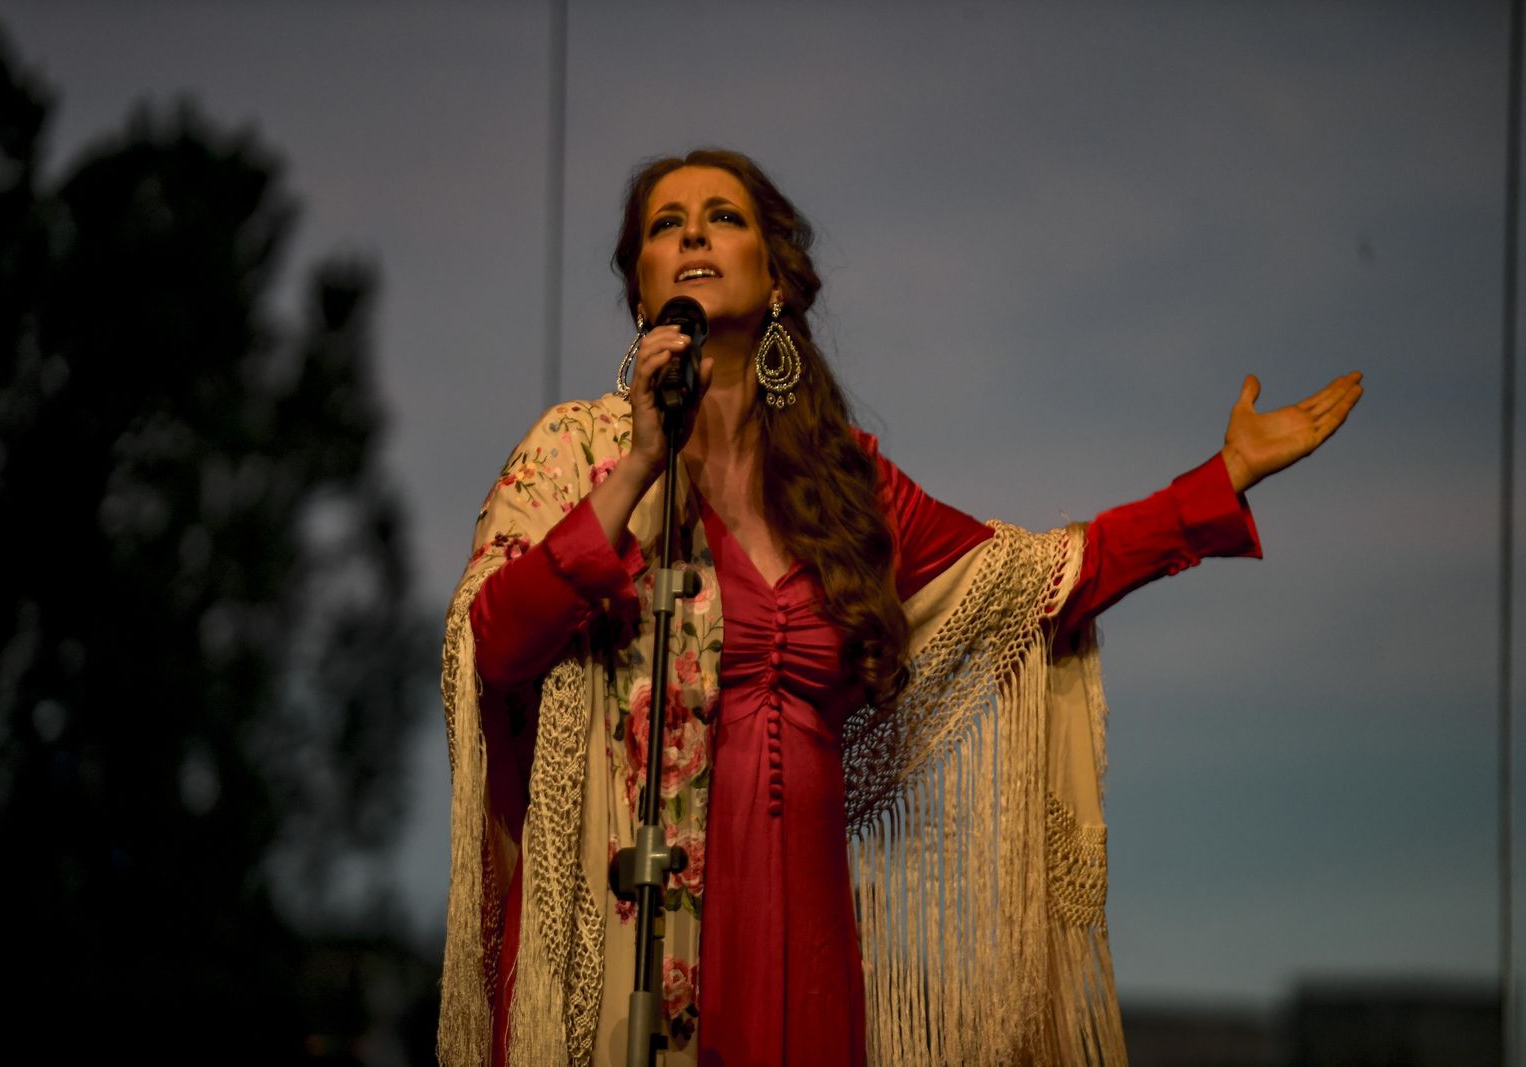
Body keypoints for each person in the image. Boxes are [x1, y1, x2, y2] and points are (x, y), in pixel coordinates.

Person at [437, 148, 1362, 1067]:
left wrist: (1221, 480)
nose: (692, 233)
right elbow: (496, 645)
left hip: (807, 936)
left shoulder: (845, 488)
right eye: (663, 225)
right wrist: (640, 463)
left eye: (722, 215)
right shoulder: (577, 451)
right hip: (628, 932)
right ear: (641, 292)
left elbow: (1040, 582)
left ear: (775, 283)